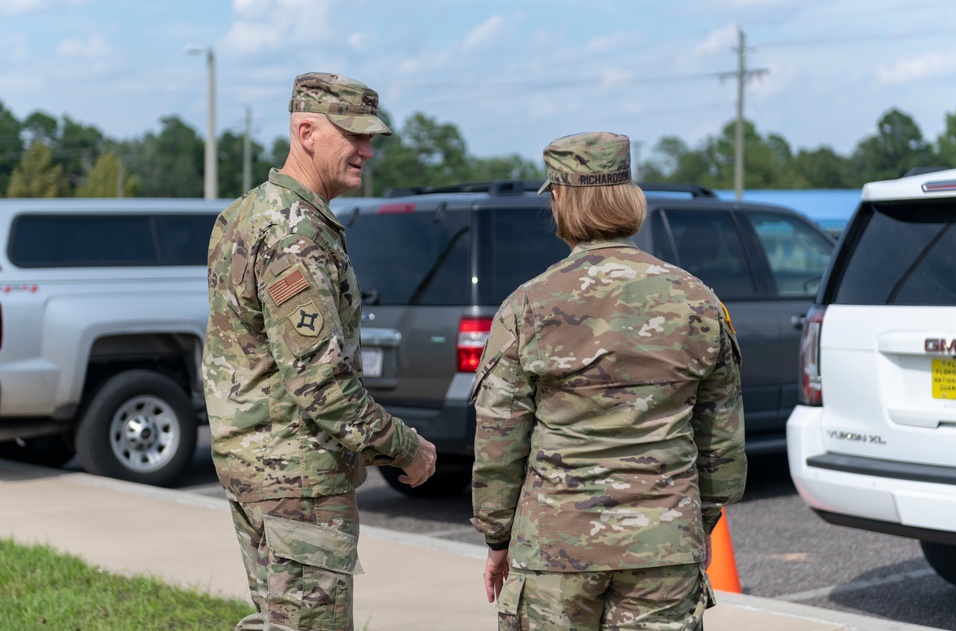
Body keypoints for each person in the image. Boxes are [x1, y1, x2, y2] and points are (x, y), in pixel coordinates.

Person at [470, 131, 746, 630]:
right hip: (663, 546)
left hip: (557, 546)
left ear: (559, 200)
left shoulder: (529, 305)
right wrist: (696, 525)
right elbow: (721, 445)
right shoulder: (697, 299)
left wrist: (496, 538)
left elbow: (499, 442)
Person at [203, 72, 437, 631]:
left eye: (371, 138)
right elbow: (322, 383)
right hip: (298, 480)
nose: (367, 150)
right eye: (353, 135)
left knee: (277, 621)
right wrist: (406, 448)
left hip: (256, 466)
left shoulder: (244, 213)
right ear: (306, 131)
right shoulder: (294, 233)